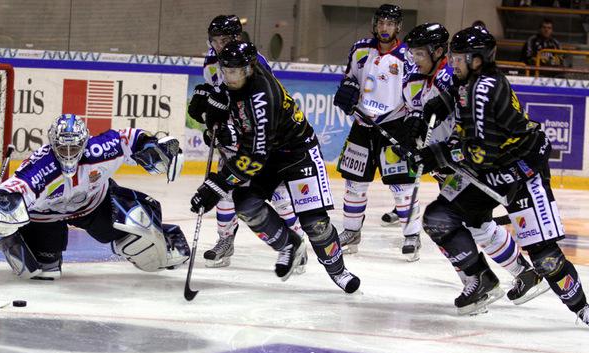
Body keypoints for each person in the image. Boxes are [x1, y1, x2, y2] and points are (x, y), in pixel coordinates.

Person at [418, 26, 588, 324]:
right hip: (489, 169)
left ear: (477, 60)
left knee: (544, 255)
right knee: (439, 218)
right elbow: (457, 101)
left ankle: (583, 309)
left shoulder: (484, 90)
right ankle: (482, 279)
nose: (452, 63)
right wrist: (436, 106)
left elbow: (484, 152)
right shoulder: (468, 82)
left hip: (520, 169)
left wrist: (441, 154)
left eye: (459, 58)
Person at [190, 41, 360, 292]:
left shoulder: (262, 99)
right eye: (225, 71)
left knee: (315, 223)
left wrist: (217, 184)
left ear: (248, 69)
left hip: (298, 152)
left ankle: (339, 271)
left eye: (235, 72)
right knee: (246, 205)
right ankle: (289, 245)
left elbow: (254, 155)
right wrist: (210, 113)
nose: (229, 77)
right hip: (270, 154)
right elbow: (231, 115)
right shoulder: (237, 81)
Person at [401, 22, 547, 305]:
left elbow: (468, 124)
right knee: (474, 223)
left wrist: (444, 152)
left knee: (448, 221)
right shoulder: (421, 78)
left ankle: (478, 280)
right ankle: (520, 273)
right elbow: (421, 112)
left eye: (420, 54)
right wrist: (413, 127)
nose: (414, 59)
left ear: (437, 52)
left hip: (464, 161)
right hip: (450, 162)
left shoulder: (453, 78)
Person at [0, 114, 190, 280]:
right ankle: (18, 240)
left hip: (94, 206)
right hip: (47, 216)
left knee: (143, 243)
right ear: (52, 143)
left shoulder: (98, 150)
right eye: (62, 147)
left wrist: (150, 144)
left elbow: (128, 138)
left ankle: (167, 236)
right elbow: (18, 188)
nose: (68, 153)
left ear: (85, 142)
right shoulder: (43, 165)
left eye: (74, 147)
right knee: (44, 272)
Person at [187, 15, 306, 270]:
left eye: (225, 40)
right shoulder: (211, 62)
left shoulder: (255, 63)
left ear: (237, 38)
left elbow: (255, 109)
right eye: (215, 41)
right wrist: (211, 117)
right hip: (234, 137)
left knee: (278, 194)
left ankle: (297, 243)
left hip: (258, 141)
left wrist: (232, 129)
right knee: (225, 191)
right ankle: (225, 241)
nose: (220, 46)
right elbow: (222, 100)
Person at [333, 3, 421, 261]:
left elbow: (413, 91)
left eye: (390, 24)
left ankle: (412, 235)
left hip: (394, 125)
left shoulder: (408, 56)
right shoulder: (360, 48)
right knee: (354, 184)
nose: (384, 28)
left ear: (398, 27)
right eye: (381, 23)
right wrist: (347, 89)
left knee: (402, 187)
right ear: (375, 24)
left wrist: (414, 119)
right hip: (362, 125)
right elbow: (350, 77)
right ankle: (351, 231)